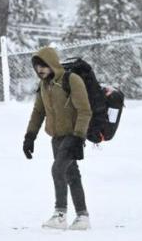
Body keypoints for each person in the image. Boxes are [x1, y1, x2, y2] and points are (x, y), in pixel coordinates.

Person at [23, 47, 92, 230]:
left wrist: (78, 136)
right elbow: (38, 112)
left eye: (43, 65)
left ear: (52, 63)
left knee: (57, 170)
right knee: (72, 175)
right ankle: (82, 216)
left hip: (72, 135)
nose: (40, 70)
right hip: (56, 137)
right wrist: (30, 137)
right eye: (37, 66)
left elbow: (85, 110)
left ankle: (60, 214)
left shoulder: (71, 80)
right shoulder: (44, 86)